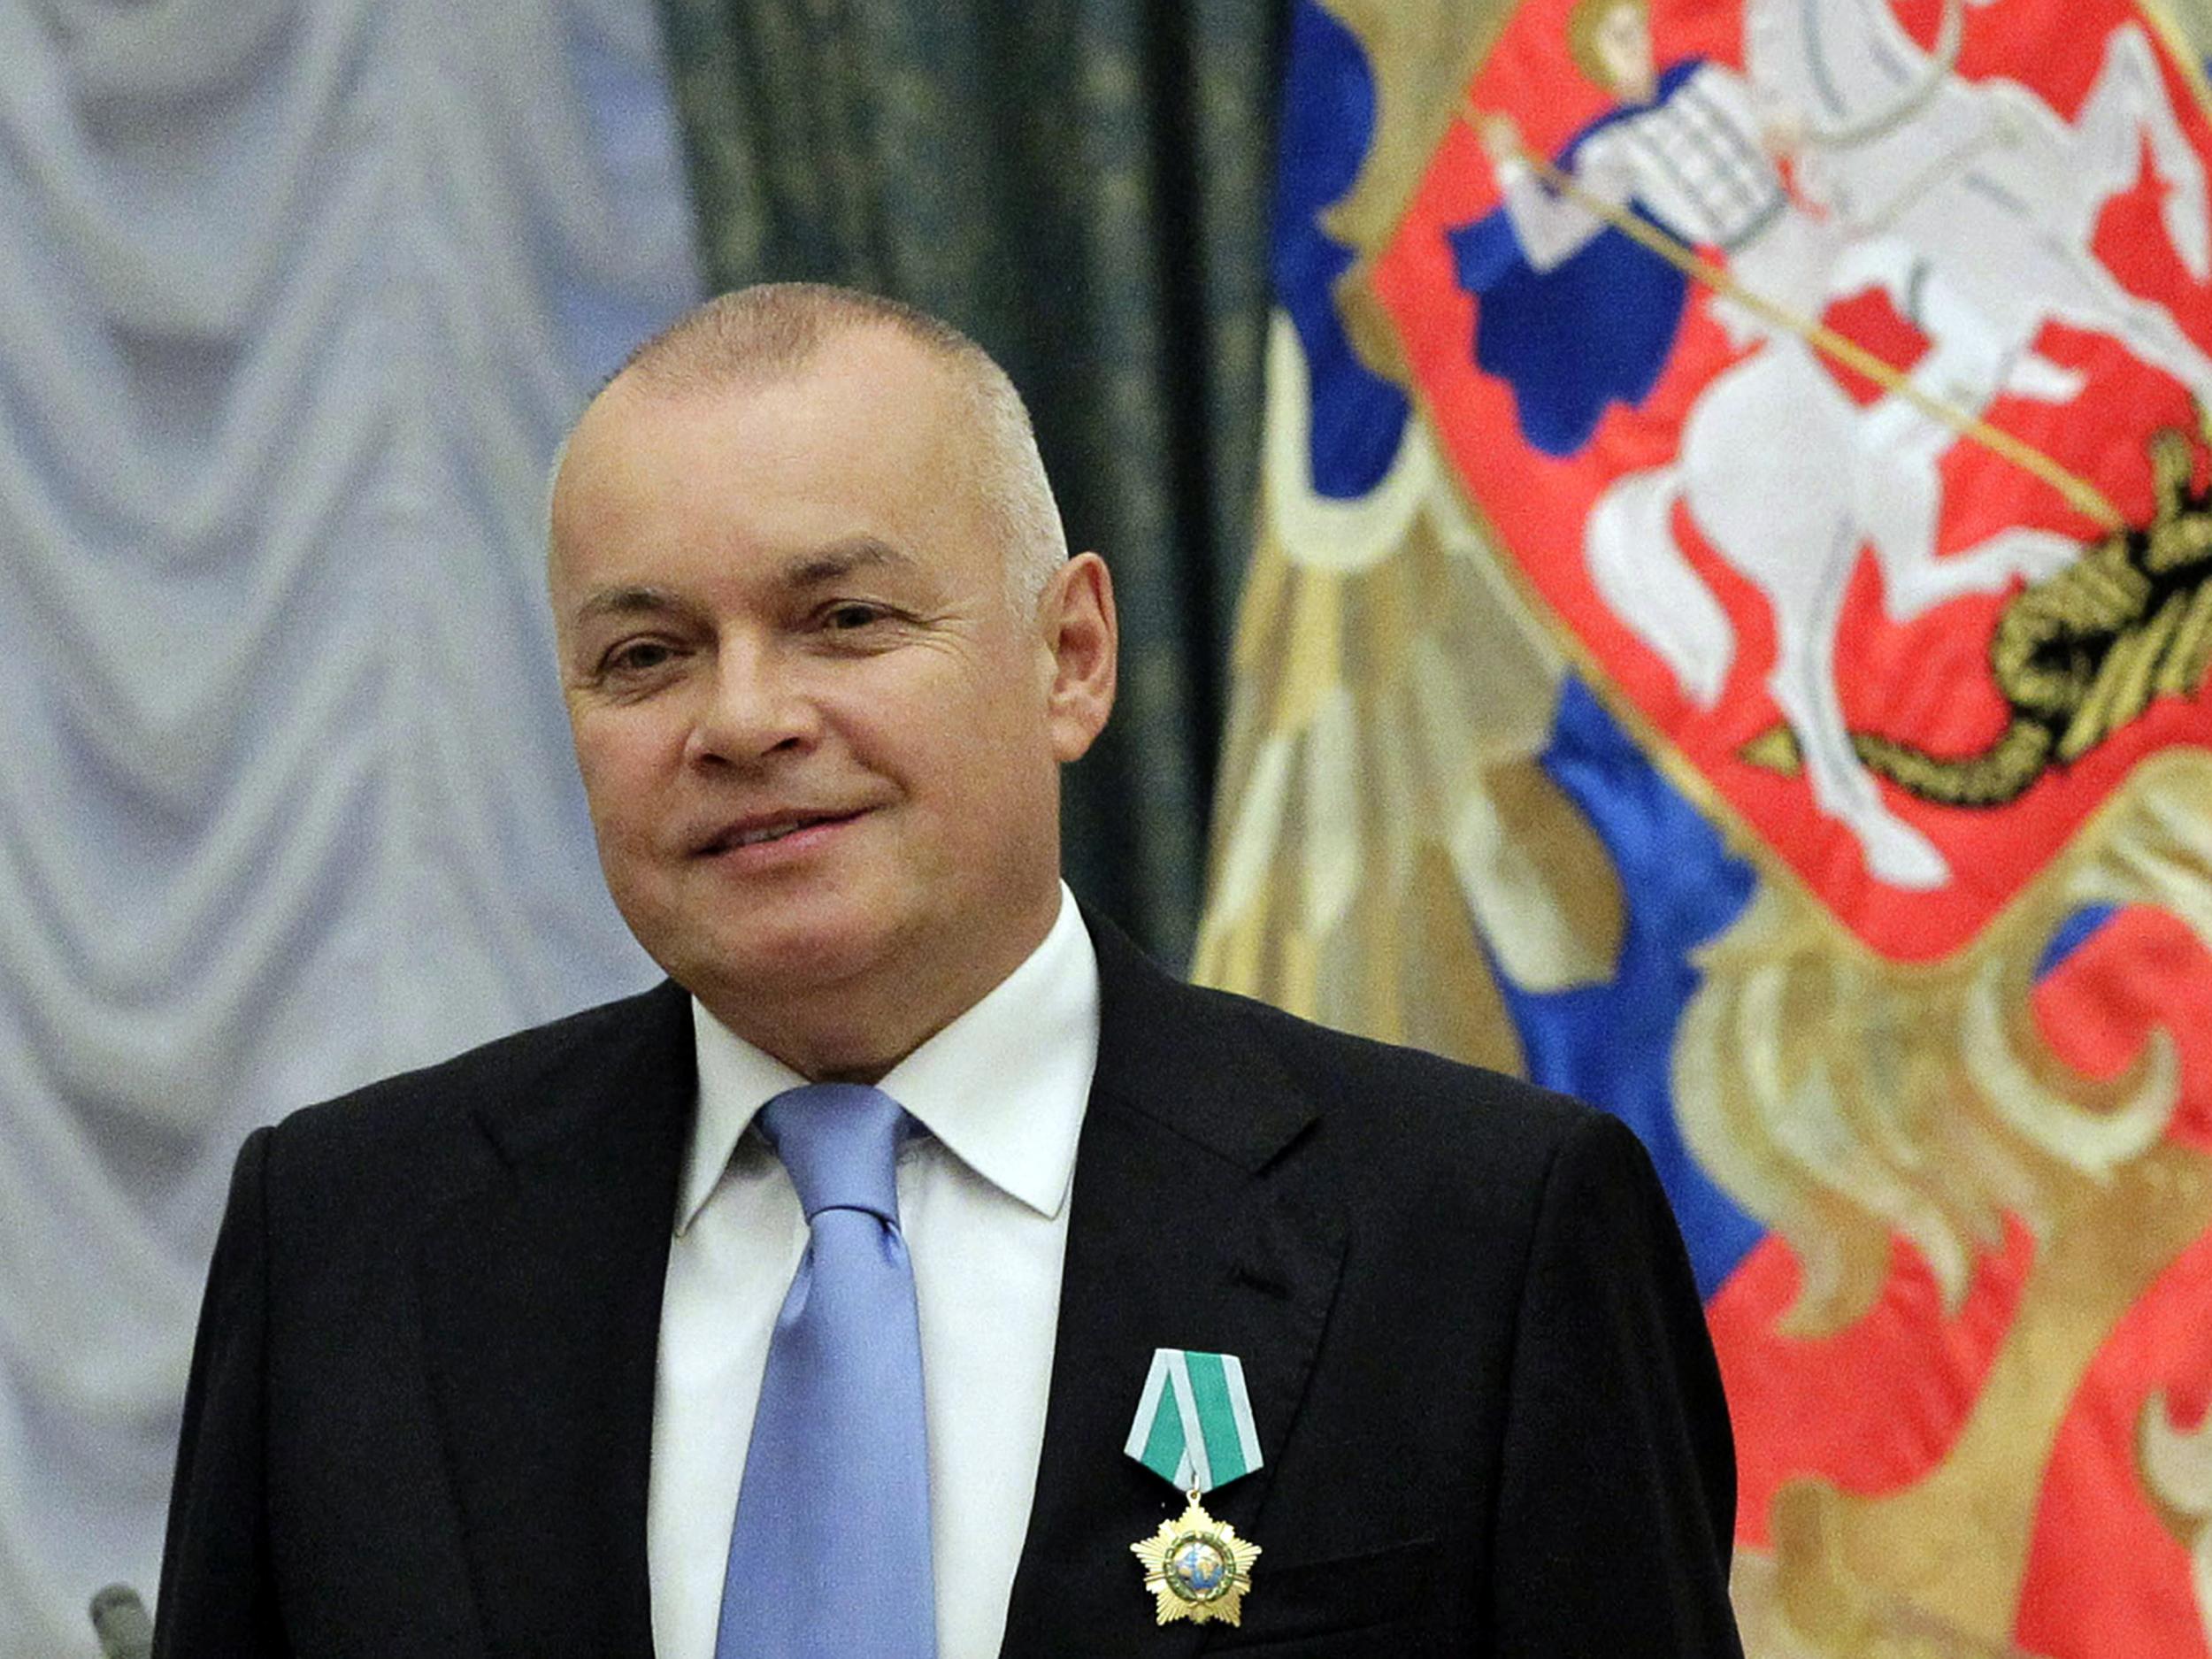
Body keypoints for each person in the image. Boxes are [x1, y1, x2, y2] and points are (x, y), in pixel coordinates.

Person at [151, 283, 1744, 1657]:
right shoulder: (348, 1241)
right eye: (647, 655)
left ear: (1072, 657)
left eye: (843, 618)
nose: (745, 719)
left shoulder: (1479, 1242)